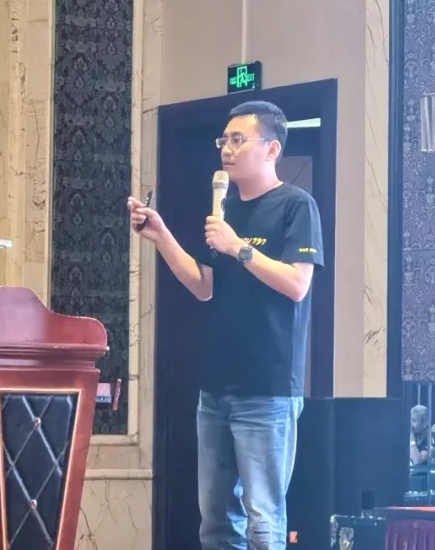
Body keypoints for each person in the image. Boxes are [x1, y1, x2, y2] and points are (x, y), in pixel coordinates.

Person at [127, 100, 323, 550]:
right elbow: (204, 286)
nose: (227, 150)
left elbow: (297, 285)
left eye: (238, 140)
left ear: (272, 149)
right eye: (224, 140)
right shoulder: (227, 208)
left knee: (262, 520)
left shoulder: (296, 206)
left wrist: (239, 248)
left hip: (267, 388)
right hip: (215, 387)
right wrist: (162, 236)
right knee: (215, 521)